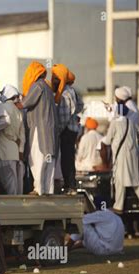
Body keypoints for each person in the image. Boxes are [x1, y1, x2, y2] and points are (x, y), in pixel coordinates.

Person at [99, 105, 139, 214]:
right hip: (133, 154)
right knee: (135, 177)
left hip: (121, 156)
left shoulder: (115, 123)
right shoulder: (131, 122)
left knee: (119, 180)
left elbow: (107, 141)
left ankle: (118, 206)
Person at [19, 61, 57, 195]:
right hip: (50, 133)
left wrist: (12, 104)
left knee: (37, 159)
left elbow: (25, 103)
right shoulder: (47, 87)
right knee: (49, 161)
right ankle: (48, 190)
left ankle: (39, 189)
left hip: (39, 130)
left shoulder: (37, 86)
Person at [52, 64, 81, 195]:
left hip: (67, 130)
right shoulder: (72, 90)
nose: (53, 80)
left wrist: (57, 131)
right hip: (73, 128)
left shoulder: (64, 93)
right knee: (69, 158)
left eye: (55, 77)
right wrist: (75, 116)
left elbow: (63, 117)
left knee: (66, 159)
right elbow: (80, 106)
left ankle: (70, 186)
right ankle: (71, 185)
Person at [0, 84, 26, 194]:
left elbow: (3, 128)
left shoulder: (2, 107)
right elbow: (23, 135)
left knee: (9, 187)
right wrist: (21, 151)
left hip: (4, 151)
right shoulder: (19, 111)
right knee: (17, 186)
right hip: (16, 152)